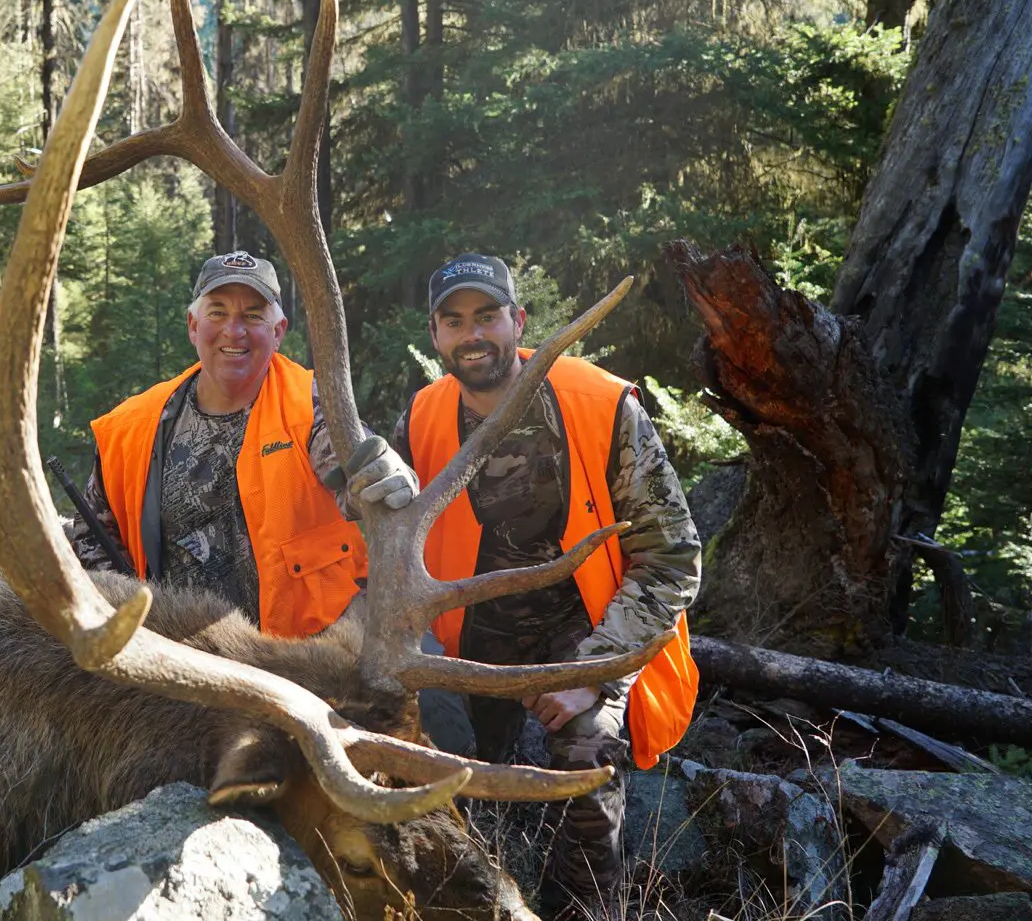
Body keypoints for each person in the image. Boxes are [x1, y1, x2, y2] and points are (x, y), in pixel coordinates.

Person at [394, 253, 701, 918]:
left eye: (488, 316)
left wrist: (594, 671)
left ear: (518, 320)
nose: (473, 335)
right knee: (418, 757)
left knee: (589, 750)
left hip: (582, 631)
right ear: (436, 336)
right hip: (469, 641)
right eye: (455, 322)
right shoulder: (422, 417)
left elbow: (674, 555)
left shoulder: (597, 403)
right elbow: (388, 551)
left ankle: (581, 911)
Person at [68, 251, 417, 638]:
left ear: (278, 331)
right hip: (175, 662)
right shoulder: (133, 426)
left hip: (302, 662)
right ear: (192, 325)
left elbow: (353, 462)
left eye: (253, 315)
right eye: (217, 312)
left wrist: (383, 474)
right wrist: (122, 612)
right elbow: (92, 536)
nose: (234, 331)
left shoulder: (311, 405)